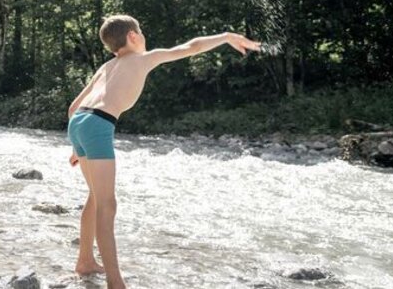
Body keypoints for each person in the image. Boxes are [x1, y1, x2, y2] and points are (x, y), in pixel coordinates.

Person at [66, 15, 260, 288]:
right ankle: (115, 282)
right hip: (98, 124)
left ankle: (85, 261)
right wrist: (226, 37)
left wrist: (77, 145)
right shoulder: (143, 58)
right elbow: (191, 47)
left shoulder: (106, 66)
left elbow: (73, 107)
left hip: (79, 122)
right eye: (141, 31)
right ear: (133, 36)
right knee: (108, 205)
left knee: (95, 198)